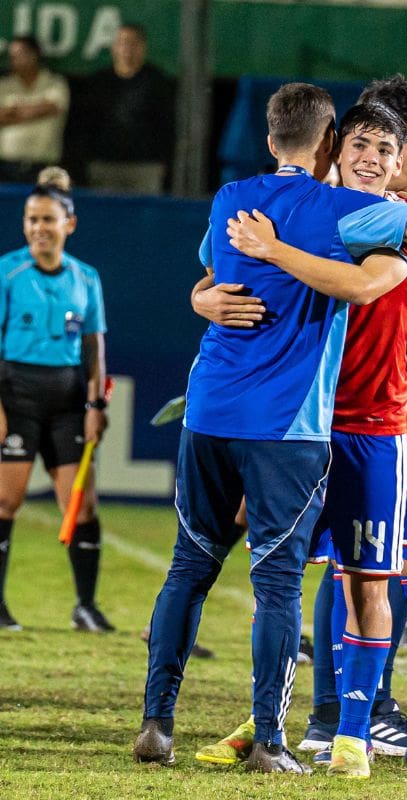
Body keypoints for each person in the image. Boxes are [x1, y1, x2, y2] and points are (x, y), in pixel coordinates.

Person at [133, 82, 407, 774]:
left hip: (366, 422)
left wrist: (273, 249)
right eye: (362, 144)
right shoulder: (344, 211)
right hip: (296, 427)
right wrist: (205, 298)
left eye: (390, 146)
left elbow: (366, 285)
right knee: (288, 583)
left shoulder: (365, 214)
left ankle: (351, 731)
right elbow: (213, 273)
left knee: (365, 579)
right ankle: (280, 727)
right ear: (331, 148)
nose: (375, 156)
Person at [0, 180, 110, 633]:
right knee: (6, 501)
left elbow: (93, 346)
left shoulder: (86, 278)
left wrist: (95, 402)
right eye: (31, 219)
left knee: (80, 507)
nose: (38, 228)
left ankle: (85, 606)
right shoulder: (7, 272)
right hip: (17, 396)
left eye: (47, 219)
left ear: (70, 224)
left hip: (68, 402)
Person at [80, 23, 175, 193]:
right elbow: (86, 124)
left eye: (133, 43)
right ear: (113, 47)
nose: (127, 48)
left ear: (143, 47)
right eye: (122, 42)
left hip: (145, 167)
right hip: (104, 165)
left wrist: (164, 162)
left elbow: (167, 126)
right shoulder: (99, 82)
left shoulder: (157, 82)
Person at [0, 37, 69, 184]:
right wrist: (36, 109)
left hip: (44, 167)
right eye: (12, 56)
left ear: (35, 55)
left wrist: (12, 112)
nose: (15, 60)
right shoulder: (4, 86)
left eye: (20, 54)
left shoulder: (55, 83)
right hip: (6, 166)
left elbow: (51, 108)